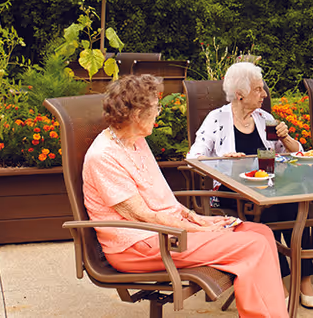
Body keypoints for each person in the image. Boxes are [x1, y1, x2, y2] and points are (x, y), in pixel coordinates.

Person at [83, 74, 288, 318]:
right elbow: (142, 215)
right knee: (252, 246)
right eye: (155, 107)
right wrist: (201, 231)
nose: (158, 112)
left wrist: (198, 219)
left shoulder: (136, 140)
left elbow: (163, 199)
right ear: (137, 115)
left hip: (165, 233)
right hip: (138, 245)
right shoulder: (104, 156)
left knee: (261, 233)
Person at [187, 62, 313, 309]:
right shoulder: (216, 119)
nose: (264, 94)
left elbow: (295, 154)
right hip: (230, 193)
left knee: (296, 205)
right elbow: (194, 157)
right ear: (240, 94)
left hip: (268, 186)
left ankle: (304, 279)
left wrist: (286, 137)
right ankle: (277, 280)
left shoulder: (264, 119)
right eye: (259, 89)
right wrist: (222, 160)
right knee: (267, 210)